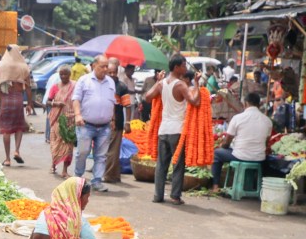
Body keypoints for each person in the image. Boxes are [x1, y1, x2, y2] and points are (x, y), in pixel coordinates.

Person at [144, 53, 201, 205]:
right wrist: (197, 84)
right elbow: (195, 101)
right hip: (177, 130)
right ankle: (175, 196)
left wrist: (158, 82)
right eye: (183, 65)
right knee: (178, 165)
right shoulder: (181, 85)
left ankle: (158, 195)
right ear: (176, 67)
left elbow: (147, 97)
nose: (185, 68)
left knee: (161, 165)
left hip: (163, 129)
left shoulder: (161, 83)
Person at [71, 54, 115, 192]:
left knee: (101, 156)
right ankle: (78, 179)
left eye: (107, 66)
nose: (105, 69)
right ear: (94, 65)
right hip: (85, 124)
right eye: (102, 66)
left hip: (105, 126)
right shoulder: (84, 80)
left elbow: (111, 102)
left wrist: (112, 119)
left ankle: (97, 181)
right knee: (82, 152)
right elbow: (76, 99)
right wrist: (78, 115)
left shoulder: (110, 82)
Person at [211, 92, 271, 192]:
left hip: (240, 156)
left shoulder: (238, 118)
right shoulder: (267, 121)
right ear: (259, 104)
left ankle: (215, 186)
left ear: (245, 103)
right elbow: (266, 143)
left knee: (216, 154)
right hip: (259, 158)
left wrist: (222, 145)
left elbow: (227, 142)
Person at [0, 45, 32, 167]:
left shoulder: (1, 65)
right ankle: (17, 151)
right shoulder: (24, 66)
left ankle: (7, 159)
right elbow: (28, 87)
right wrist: (30, 103)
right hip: (18, 100)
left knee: (6, 129)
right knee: (19, 127)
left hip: (5, 100)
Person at [103, 60, 132, 184]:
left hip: (117, 123)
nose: (112, 75)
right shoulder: (103, 85)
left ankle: (109, 175)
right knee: (105, 150)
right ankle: (114, 175)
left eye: (114, 72)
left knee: (113, 151)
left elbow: (128, 106)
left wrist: (128, 123)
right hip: (103, 122)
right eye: (109, 73)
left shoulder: (121, 87)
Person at [46, 65, 76, 178]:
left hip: (70, 119)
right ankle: (53, 165)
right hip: (57, 119)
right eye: (61, 74)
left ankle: (65, 170)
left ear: (70, 75)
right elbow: (48, 101)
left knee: (67, 145)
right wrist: (56, 103)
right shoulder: (55, 87)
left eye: (65, 74)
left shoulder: (74, 86)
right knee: (55, 143)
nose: (63, 76)